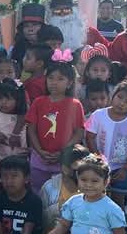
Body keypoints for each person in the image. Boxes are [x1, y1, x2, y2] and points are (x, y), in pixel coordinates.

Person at [25, 61, 85, 193]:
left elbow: (79, 132)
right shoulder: (38, 102)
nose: (54, 82)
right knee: (38, 192)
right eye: (50, 78)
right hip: (39, 158)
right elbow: (31, 129)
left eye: (60, 79)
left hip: (64, 161)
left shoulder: (75, 104)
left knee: (61, 194)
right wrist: (40, 151)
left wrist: (63, 152)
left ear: (69, 83)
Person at [84, 80, 127, 206]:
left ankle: (119, 218)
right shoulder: (98, 115)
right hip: (98, 166)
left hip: (121, 169)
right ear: (113, 95)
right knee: (96, 197)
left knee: (118, 200)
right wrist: (98, 159)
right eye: (119, 97)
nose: (121, 103)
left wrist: (125, 168)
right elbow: (90, 137)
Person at [39, 144, 93, 232]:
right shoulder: (49, 188)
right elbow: (42, 220)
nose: (85, 172)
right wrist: (58, 208)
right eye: (79, 169)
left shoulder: (94, 188)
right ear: (65, 169)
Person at [0, 80, 28, 162]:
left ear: (18, 100)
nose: (3, 102)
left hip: (22, 160)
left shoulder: (26, 117)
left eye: (8, 99)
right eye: (0, 98)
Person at [9, 3, 47, 70]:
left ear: (42, 27)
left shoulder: (48, 46)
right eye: (26, 26)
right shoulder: (18, 47)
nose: (30, 29)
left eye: (35, 25)